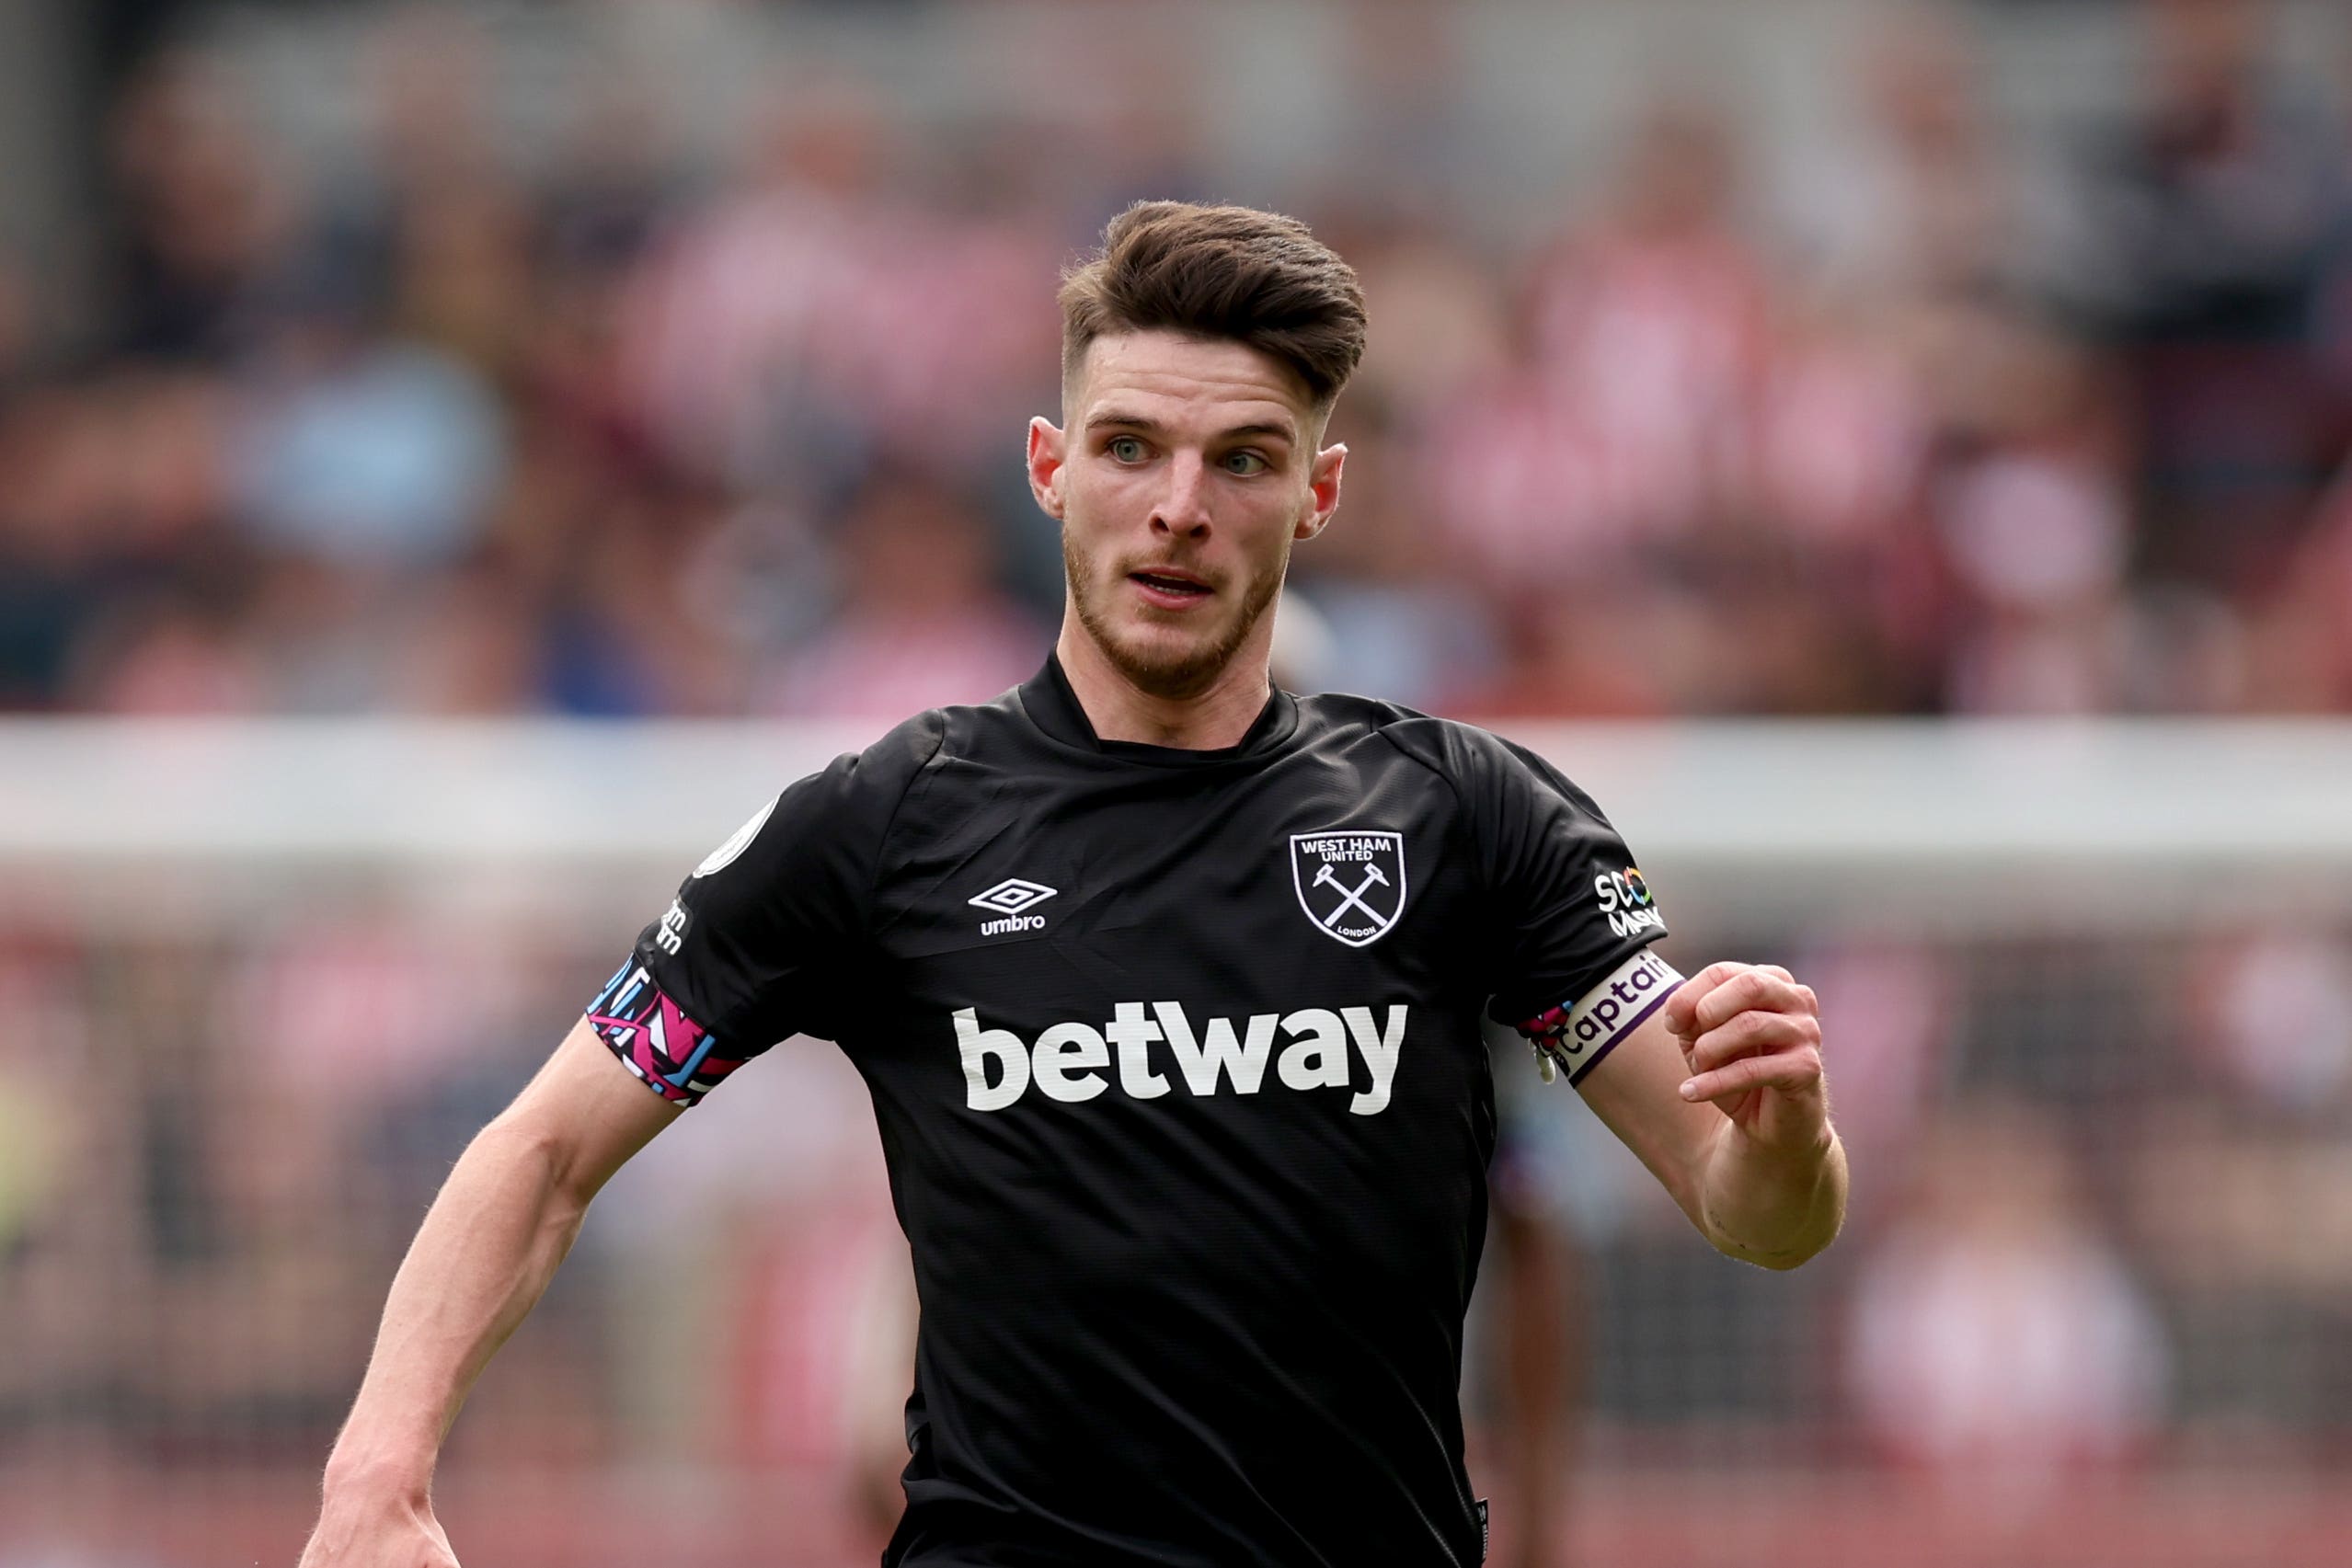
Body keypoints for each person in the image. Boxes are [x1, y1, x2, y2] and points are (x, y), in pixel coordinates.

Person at [298, 200, 1847, 1568]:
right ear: (1051, 468)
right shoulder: (879, 826)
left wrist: (1785, 1135)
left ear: (1317, 492)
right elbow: (548, 1146)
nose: (1179, 503)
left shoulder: (1471, 818)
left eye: (1242, 459)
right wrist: (379, 1469)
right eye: (1130, 448)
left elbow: (1752, 1210)